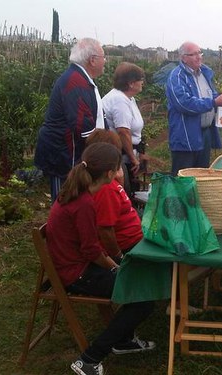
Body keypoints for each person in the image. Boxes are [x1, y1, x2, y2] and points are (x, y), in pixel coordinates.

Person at [45, 142, 155, 375]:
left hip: (75, 265)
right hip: (77, 273)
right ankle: (89, 359)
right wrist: (116, 265)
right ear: (109, 173)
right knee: (143, 297)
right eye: (118, 168)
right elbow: (91, 251)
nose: (120, 172)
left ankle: (123, 341)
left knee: (138, 286)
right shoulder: (84, 202)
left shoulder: (77, 191)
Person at [34, 37, 107, 203]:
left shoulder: (82, 79)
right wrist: (104, 154)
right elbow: (84, 129)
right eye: (104, 57)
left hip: (68, 155)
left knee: (74, 203)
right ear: (93, 60)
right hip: (64, 156)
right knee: (65, 202)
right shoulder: (75, 82)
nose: (105, 61)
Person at [166, 41, 222, 176]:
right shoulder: (177, 77)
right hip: (186, 136)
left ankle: (198, 197)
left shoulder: (204, 73)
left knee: (201, 175)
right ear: (183, 58)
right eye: (193, 54)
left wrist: (221, 99)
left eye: (199, 53)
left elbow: (209, 95)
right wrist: (214, 102)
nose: (199, 57)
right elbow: (184, 104)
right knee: (184, 178)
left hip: (205, 133)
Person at [86, 130, 143, 259]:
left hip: (133, 239)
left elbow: (119, 205)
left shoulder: (108, 181)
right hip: (129, 246)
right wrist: (119, 257)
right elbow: (105, 230)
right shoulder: (105, 189)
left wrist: (120, 180)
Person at [103, 62, 148, 194]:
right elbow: (123, 132)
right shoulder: (119, 100)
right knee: (125, 191)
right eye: (141, 79)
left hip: (127, 153)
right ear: (131, 83)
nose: (142, 82)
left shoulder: (128, 98)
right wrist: (133, 159)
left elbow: (134, 129)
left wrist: (140, 151)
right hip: (119, 155)